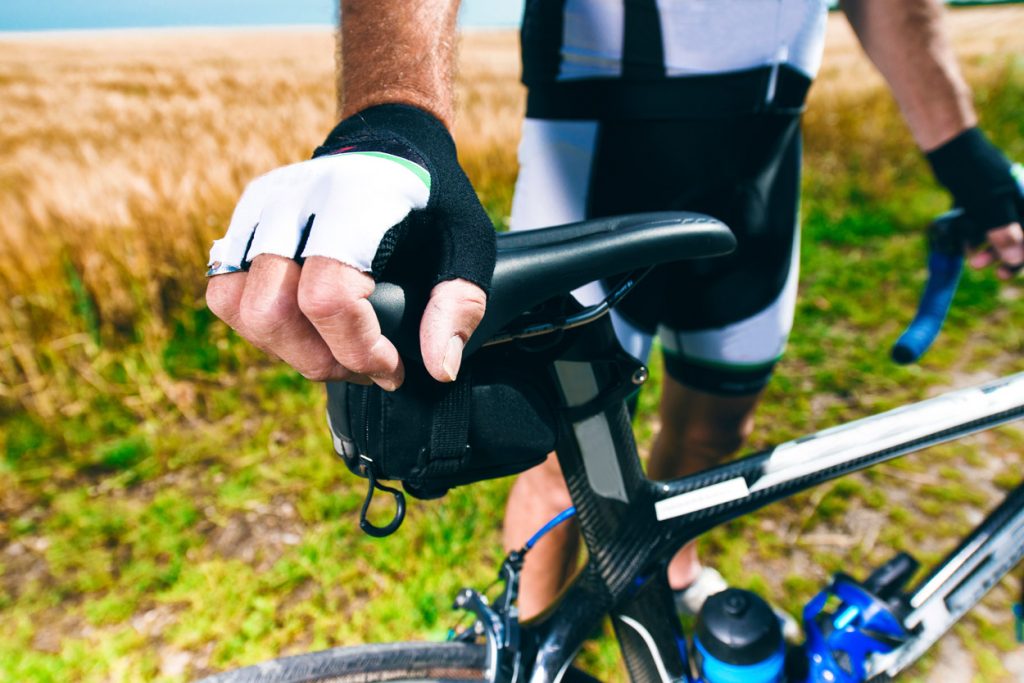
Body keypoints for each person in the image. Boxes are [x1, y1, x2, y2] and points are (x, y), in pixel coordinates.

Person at [205, 0, 1024, 624]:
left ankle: (675, 565)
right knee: (564, 462)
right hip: (598, 154)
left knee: (718, 424)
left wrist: (966, 159)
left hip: (764, 164)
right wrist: (396, 114)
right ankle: (528, 635)